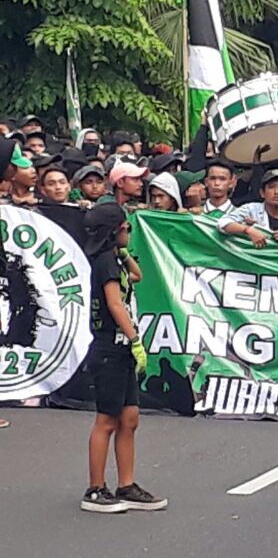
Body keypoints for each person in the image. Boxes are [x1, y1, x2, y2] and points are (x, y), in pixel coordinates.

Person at [81, 204, 167, 513]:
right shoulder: (104, 264)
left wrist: (124, 253)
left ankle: (126, 485)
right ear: (114, 230)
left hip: (122, 350)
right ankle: (94, 489)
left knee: (129, 419)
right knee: (107, 420)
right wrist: (134, 339)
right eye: (126, 228)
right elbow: (115, 304)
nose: (128, 232)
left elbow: (137, 275)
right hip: (110, 348)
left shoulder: (115, 259)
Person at [217, 168, 278, 246]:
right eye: (271, 187)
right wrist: (247, 229)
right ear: (262, 193)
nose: (276, 192)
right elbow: (223, 223)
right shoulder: (251, 209)